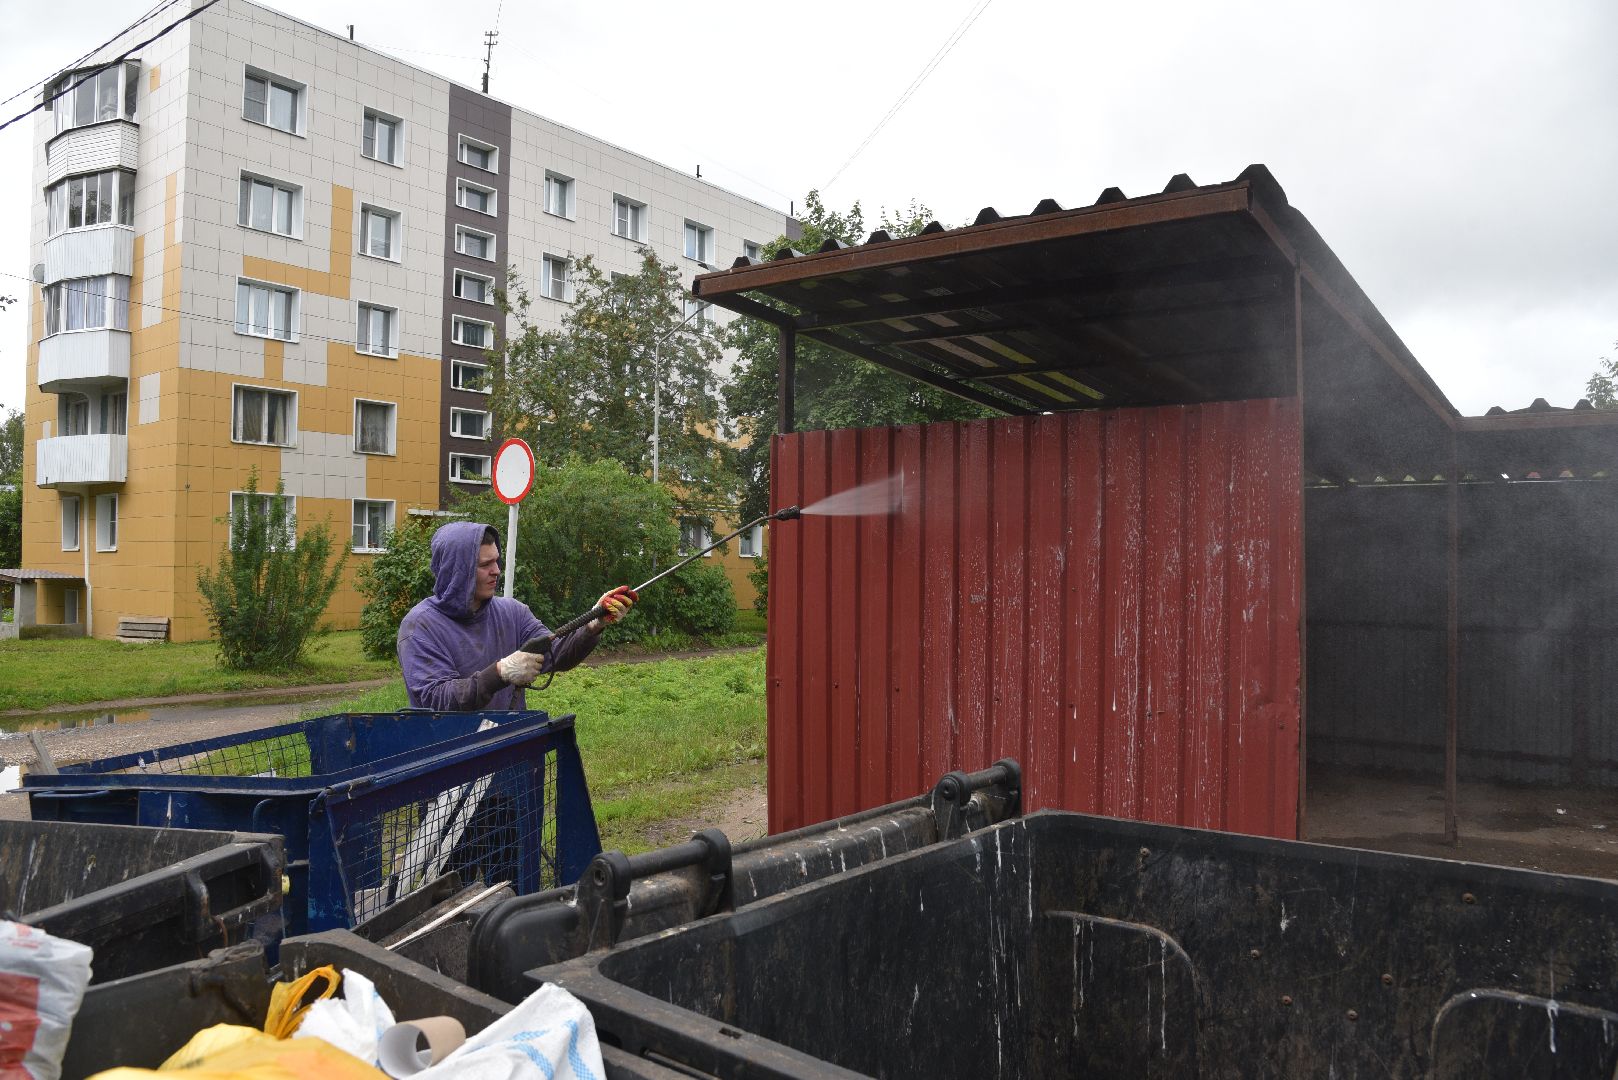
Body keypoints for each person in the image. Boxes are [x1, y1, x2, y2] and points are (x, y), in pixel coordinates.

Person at [398, 520, 635, 710]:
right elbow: (436, 700)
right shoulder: (420, 626)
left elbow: (557, 655)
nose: (496, 571)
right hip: (449, 756)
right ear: (456, 571)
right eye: (485, 565)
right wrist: (499, 673)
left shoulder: (512, 613)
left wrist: (593, 624)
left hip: (508, 746)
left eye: (497, 561)